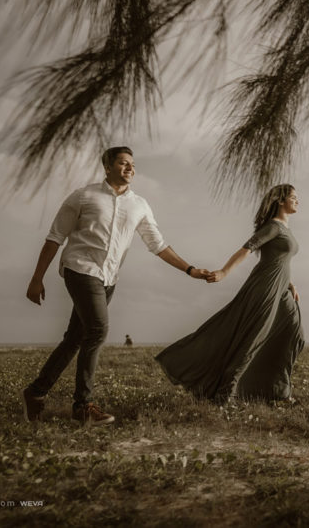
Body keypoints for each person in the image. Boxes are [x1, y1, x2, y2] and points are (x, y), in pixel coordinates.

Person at [22, 146, 210, 425]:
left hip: (109, 278)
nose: (130, 168)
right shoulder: (83, 196)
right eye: (123, 163)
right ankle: (82, 406)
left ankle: (35, 393)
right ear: (107, 166)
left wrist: (190, 269)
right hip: (80, 268)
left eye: (133, 164)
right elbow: (55, 237)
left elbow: (157, 244)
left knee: (75, 338)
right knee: (98, 330)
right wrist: (37, 278)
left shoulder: (140, 205)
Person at [156, 184, 304, 404]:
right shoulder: (274, 227)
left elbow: (277, 260)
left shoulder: (286, 229)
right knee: (254, 338)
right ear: (280, 201)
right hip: (265, 288)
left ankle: (275, 390)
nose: (297, 201)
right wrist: (224, 272)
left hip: (281, 288)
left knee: (294, 335)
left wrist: (290, 283)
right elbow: (246, 249)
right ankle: (228, 393)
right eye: (293, 197)